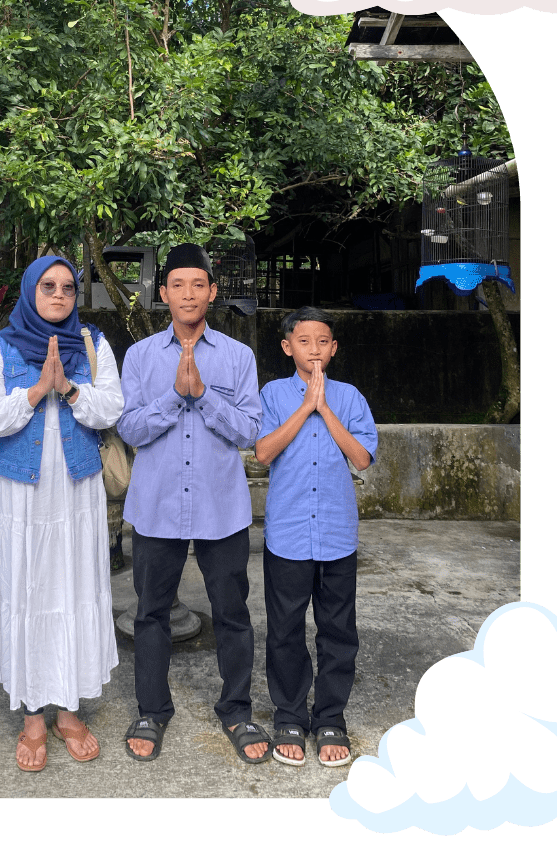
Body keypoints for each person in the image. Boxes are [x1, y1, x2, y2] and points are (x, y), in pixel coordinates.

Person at [117, 243, 268, 764]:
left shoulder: (238, 356)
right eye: (177, 285)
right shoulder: (140, 357)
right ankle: (152, 710)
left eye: (197, 285)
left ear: (212, 292)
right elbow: (129, 428)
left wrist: (203, 395)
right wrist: (173, 397)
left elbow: (249, 431)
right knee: (151, 613)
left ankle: (237, 709)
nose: (187, 294)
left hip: (220, 508)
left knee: (232, 613)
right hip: (156, 506)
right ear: (163, 293)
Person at [0, 256, 123, 772]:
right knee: (26, 589)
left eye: (68, 287)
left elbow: (112, 407)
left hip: (76, 491)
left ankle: (69, 710)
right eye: (48, 286)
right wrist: (38, 389)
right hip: (20, 496)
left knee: (73, 589)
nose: (59, 295)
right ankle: (34, 716)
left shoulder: (93, 343)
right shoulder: (1, 347)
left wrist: (70, 389)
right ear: (29, 291)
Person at [254, 306, 378, 768]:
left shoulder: (349, 397)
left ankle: (330, 718)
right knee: (285, 630)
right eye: (304, 341)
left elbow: (362, 459)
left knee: (338, 630)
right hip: (288, 532)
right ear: (287, 347)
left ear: (334, 348)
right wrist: (305, 405)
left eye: (322, 341)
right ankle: (289, 715)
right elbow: (263, 452)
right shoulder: (272, 394)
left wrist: (324, 408)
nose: (314, 350)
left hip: (336, 532)